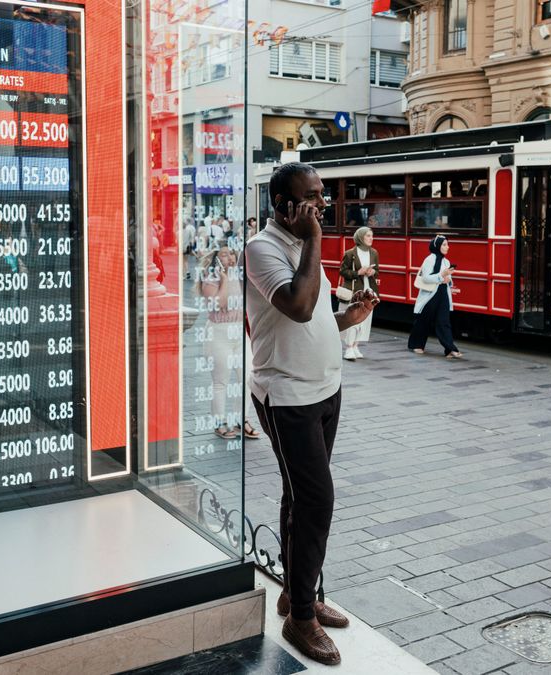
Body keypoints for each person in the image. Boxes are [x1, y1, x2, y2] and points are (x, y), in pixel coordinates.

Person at [244, 162, 377, 666]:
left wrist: (349, 317)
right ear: (282, 204)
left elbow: (315, 316)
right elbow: (297, 306)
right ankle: (301, 618)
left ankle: (296, 593)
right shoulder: (264, 248)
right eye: (312, 197)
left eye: (322, 196)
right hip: (287, 396)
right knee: (317, 500)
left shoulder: (305, 247)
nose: (322, 204)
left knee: (298, 497)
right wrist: (316, 236)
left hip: (325, 390)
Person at [196, 244, 259, 440]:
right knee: (221, 382)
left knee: (248, 378)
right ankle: (219, 422)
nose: (229, 257)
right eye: (224, 254)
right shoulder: (211, 279)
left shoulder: (241, 277)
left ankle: (241, 419)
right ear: (216, 259)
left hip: (240, 333)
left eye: (231, 253)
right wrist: (223, 280)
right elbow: (220, 304)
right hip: (218, 333)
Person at [408, 235, 462, 358]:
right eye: (444, 244)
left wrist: (449, 281)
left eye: (447, 244)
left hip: (443, 294)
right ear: (437, 246)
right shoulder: (429, 259)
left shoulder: (446, 261)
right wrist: (441, 276)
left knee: (444, 321)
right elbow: (426, 278)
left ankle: (450, 349)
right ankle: (417, 345)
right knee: (423, 320)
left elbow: (447, 279)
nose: (447, 247)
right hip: (430, 295)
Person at [337, 227, 379, 361]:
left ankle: (356, 345)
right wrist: (358, 273)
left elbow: (377, 270)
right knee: (353, 318)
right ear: (360, 237)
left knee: (364, 320)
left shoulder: (374, 253)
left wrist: (372, 272)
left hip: (369, 290)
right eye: (368, 236)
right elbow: (343, 271)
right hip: (355, 290)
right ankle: (348, 347)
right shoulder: (350, 253)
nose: (371, 238)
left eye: (372, 236)